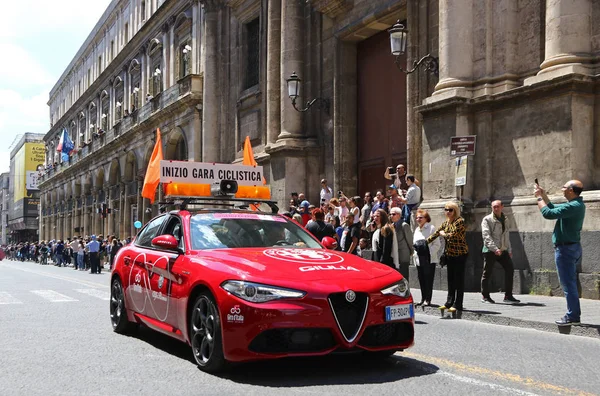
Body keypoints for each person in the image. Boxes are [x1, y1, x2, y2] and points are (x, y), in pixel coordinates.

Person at [535, 179, 585, 326]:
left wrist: (538, 197)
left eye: (564, 187)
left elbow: (548, 213)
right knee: (570, 282)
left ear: (571, 190)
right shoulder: (574, 205)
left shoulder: (574, 206)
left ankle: (573, 316)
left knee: (568, 284)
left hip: (566, 249)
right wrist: (544, 197)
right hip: (571, 247)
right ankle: (573, 314)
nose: (562, 188)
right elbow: (554, 209)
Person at [426, 202, 468, 313]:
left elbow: (453, 234)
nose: (448, 212)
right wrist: (425, 243)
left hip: (460, 254)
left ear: (455, 211)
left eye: (450, 210)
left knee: (459, 280)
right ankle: (449, 303)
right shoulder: (445, 223)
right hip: (450, 254)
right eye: (446, 210)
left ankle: (458, 304)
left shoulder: (460, 221)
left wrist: (443, 234)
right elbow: (436, 233)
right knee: (450, 280)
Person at [481, 200, 521, 304]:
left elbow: (506, 235)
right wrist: (495, 249)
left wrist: (509, 249)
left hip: (503, 249)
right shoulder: (487, 219)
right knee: (487, 273)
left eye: (498, 206)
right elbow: (486, 236)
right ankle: (485, 296)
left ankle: (508, 296)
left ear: (502, 207)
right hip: (490, 250)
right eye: (494, 207)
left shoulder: (505, 219)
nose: (496, 208)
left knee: (510, 269)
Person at [413, 209, 442, 306]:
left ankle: (428, 299)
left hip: (429, 259)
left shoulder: (431, 228)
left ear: (426, 218)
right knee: (421, 279)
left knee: (428, 279)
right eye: (417, 217)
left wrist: (428, 253)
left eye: (420, 217)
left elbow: (437, 245)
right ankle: (422, 298)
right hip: (418, 259)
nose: (418, 219)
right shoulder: (417, 229)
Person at [390, 207, 413, 280]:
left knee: (404, 275)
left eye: (393, 214)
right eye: (390, 214)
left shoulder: (404, 225)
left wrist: (411, 251)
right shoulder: (391, 226)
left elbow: (409, 240)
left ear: (399, 215)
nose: (391, 216)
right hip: (395, 254)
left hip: (403, 254)